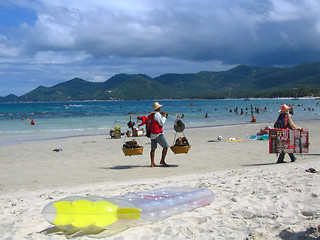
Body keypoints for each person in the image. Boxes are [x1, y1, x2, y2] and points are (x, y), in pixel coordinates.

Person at [148, 102, 170, 167]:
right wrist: (164, 116)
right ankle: (162, 161)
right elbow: (162, 123)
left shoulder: (151, 115)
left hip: (152, 134)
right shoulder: (157, 114)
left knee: (153, 148)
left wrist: (162, 116)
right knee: (165, 147)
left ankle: (152, 163)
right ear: (159, 108)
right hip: (158, 133)